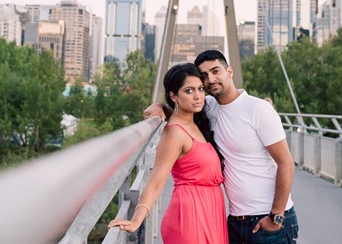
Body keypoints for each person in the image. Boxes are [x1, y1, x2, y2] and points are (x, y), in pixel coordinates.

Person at [145, 50, 299, 244]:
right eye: (204, 76)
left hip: (268, 219)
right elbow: (182, 112)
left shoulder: (258, 109)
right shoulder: (208, 107)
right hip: (234, 221)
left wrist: (276, 217)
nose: (211, 79)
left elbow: (286, 164)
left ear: (229, 71)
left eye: (216, 71)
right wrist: (159, 106)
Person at [109, 63, 228, 244]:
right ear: (174, 96)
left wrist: (161, 106)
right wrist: (136, 220)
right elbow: (156, 182)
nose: (198, 96)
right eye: (189, 91)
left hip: (211, 213)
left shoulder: (195, 123)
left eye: (201, 89)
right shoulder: (174, 133)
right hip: (190, 217)